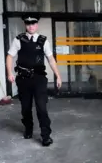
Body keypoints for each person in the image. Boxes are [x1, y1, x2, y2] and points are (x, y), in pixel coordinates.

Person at [5, 13, 62, 147]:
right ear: (25, 25)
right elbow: (9, 56)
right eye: (28, 24)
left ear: (37, 25)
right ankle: (28, 129)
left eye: (34, 23)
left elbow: (51, 59)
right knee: (26, 108)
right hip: (23, 79)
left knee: (42, 108)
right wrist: (9, 72)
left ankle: (46, 136)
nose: (31, 26)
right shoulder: (19, 40)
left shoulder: (43, 40)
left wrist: (58, 75)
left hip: (39, 78)